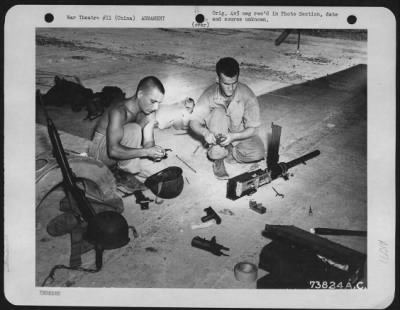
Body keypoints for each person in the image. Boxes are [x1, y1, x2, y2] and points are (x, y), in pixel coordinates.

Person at [189, 57, 265, 179]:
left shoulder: (247, 94)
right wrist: (205, 133)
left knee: (258, 153)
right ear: (218, 79)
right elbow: (193, 122)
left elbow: (253, 129)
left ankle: (230, 152)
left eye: (234, 83)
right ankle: (218, 158)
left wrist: (234, 137)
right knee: (218, 112)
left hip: (237, 133)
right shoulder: (209, 94)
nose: (231, 88)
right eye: (226, 83)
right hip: (217, 133)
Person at [88, 76, 168, 185]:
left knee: (160, 172)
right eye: (153, 101)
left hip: (121, 152)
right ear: (140, 94)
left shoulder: (149, 112)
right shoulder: (119, 111)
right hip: (100, 154)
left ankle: (122, 169)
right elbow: (113, 150)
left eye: (159, 103)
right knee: (134, 129)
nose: (156, 107)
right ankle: (125, 173)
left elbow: (148, 142)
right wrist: (146, 152)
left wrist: (154, 152)